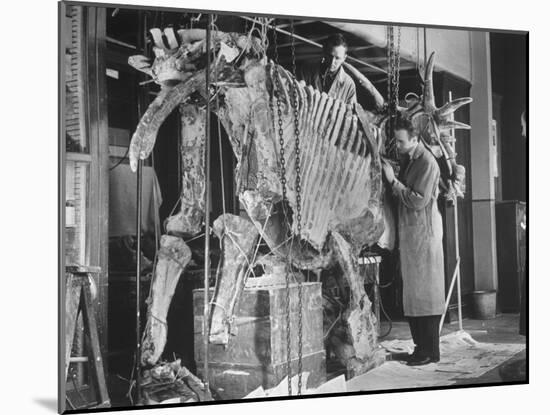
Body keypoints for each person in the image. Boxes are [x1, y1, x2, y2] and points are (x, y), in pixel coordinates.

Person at [381, 115, 445, 366]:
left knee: (426, 294)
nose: (397, 146)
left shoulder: (427, 162)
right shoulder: (411, 158)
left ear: (415, 139)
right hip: (411, 235)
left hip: (423, 235)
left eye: (400, 142)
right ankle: (422, 348)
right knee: (415, 295)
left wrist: (392, 181)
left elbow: (418, 200)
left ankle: (429, 351)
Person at [298, 33, 357, 105]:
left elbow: (351, 113)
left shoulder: (349, 85)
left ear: (344, 58)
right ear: (324, 52)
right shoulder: (307, 69)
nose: (332, 62)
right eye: (330, 56)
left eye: (337, 58)